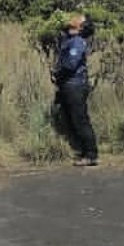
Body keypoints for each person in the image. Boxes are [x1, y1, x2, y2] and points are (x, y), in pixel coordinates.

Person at [51, 13, 98, 165]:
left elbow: (71, 64)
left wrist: (58, 73)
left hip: (75, 85)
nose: (74, 17)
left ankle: (91, 154)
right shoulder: (69, 38)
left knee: (80, 120)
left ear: (81, 27)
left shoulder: (77, 42)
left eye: (79, 18)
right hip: (68, 85)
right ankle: (82, 151)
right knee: (70, 119)